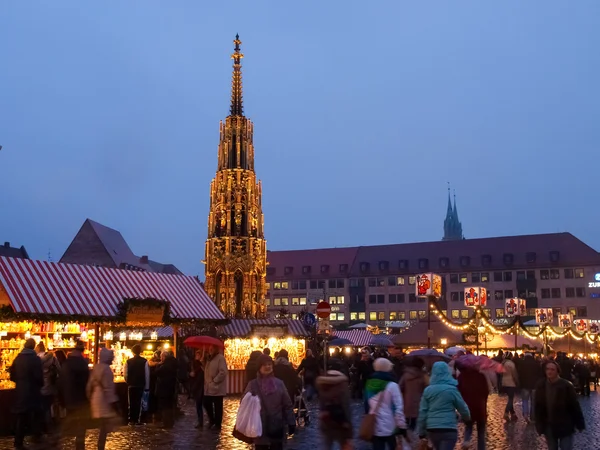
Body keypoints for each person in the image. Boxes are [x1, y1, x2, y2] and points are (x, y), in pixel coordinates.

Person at [243, 354, 295, 450]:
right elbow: (244, 404)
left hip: (277, 426)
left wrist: (291, 422)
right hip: (259, 426)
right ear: (259, 367)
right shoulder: (252, 385)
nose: (267, 367)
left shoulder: (279, 383)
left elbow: (287, 404)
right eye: (264, 365)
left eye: (269, 364)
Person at [418, 361, 471, 450]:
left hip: (432, 429)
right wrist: (467, 418)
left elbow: (423, 412)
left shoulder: (428, 390)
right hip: (449, 427)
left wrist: (421, 432)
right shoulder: (452, 389)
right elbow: (463, 407)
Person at [534, 361, 585, 450]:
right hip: (549, 425)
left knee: (566, 447)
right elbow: (538, 406)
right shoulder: (541, 385)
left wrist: (579, 423)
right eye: (547, 369)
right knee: (552, 447)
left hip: (565, 425)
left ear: (557, 371)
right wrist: (539, 424)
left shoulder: (566, 385)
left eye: (552, 369)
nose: (549, 372)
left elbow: (574, 406)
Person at [365, 358, 407, 450]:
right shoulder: (392, 385)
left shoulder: (369, 384)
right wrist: (402, 426)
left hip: (375, 425)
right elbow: (398, 407)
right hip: (391, 426)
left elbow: (367, 405)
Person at [10, 338, 43, 450]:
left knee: (21, 416)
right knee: (35, 414)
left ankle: (18, 442)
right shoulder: (36, 359)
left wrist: (20, 383)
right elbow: (39, 377)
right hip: (33, 391)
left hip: (21, 391)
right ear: (33, 347)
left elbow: (12, 374)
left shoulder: (18, 358)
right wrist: (39, 384)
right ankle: (36, 438)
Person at [59, 340, 90, 450]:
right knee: (81, 424)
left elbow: (61, 382)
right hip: (81, 398)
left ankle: (59, 442)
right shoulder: (83, 363)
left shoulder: (66, 363)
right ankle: (79, 445)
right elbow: (87, 382)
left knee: (70, 420)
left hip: (69, 397)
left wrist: (61, 398)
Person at [87, 348, 119, 450]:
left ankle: (100, 446)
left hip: (95, 399)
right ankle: (100, 447)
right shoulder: (107, 370)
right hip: (103, 401)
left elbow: (89, 386)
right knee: (104, 427)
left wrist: (90, 397)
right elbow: (108, 389)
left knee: (102, 426)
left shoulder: (96, 367)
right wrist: (113, 403)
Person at [316, 370, 353, 450]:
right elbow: (345, 405)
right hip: (341, 423)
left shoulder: (322, 384)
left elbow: (321, 405)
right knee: (344, 444)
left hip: (326, 421)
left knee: (327, 445)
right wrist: (348, 424)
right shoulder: (342, 385)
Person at [457, 362, 489, 450]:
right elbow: (486, 391)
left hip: (467, 407)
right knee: (481, 432)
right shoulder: (481, 376)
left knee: (468, 426)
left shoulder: (462, 376)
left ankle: (466, 441)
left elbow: (458, 391)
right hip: (480, 407)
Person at [35, 341, 60, 439]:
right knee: (49, 409)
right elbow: (59, 370)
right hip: (50, 387)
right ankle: (51, 429)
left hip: (39, 388)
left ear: (37, 349)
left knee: (41, 409)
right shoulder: (53, 359)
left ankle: (42, 430)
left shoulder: (36, 360)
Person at [399, 356, 428, 432]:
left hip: (407, 403)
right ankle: (415, 440)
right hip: (420, 403)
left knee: (407, 424)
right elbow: (427, 388)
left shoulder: (406, 375)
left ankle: (408, 439)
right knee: (417, 425)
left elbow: (400, 387)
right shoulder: (423, 376)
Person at [203, 344, 228, 430]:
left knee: (218, 406)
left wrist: (215, 381)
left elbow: (223, 372)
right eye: (209, 348)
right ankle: (212, 420)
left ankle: (217, 424)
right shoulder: (209, 359)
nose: (210, 349)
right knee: (206, 402)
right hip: (209, 386)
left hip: (217, 387)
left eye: (212, 348)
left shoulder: (220, 358)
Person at [125, 344, 150, 425]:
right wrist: (147, 386)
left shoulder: (128, 361)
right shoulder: (144, 361)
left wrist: (128, 381)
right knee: (139, 402)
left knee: (131, 402)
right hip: (140, 384)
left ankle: (132, 419)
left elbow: (125, 374)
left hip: (131, 384)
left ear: (132, 352)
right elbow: (147, 374)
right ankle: (138, 419)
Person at [155, 351, 178, 428]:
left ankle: (167, 423)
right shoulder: (172, 363)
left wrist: (158, 365)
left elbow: (157, 372)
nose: (160, 358)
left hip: (164, 388)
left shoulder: (165, 365)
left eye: (161, 357)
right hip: (170, 388)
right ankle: (170, 422)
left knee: (165, 406)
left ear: (164, 357)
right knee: (169, 405)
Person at [517, 353, 543, 423]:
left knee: (525, 401)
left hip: (524, 385)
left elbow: (519, 375)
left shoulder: (522, 364)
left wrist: (520, 384)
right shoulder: (536, 363)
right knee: (533, 402)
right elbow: (540, 374)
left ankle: (525, 414)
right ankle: (533, 417)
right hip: (534, 385)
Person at [501, 353, 519, 421]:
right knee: (511, 399)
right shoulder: (511, 364)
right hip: (511, 383)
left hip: (504, 382)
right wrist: (517, 382)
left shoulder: (503, 363)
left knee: (510, 398)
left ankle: (513, 414)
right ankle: (506, 413)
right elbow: (514, 374)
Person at [190, 350, 205, 427]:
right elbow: (191, 373)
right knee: (198, 405)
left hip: (202, 386)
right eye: (196, 355)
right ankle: (200, 421)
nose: (197, 356)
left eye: (198, 355)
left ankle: (202, 421)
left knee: (202, 404)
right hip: (196, 386)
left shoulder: (202, 365)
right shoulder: (193, 364)